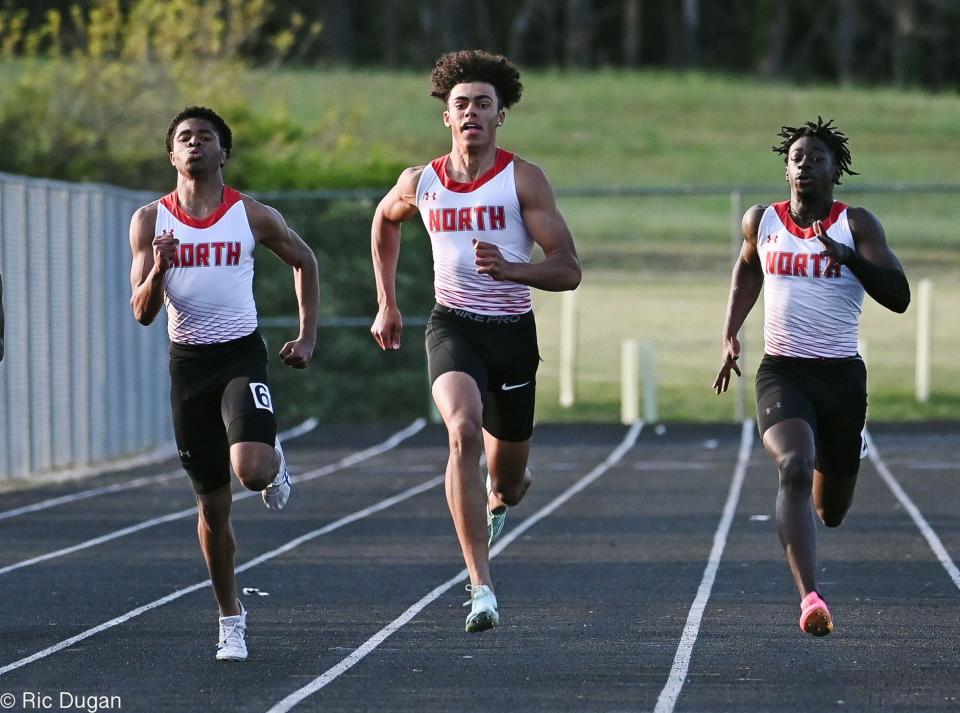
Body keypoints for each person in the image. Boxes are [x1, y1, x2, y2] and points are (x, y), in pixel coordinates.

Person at [370, 50, 581, 633]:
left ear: (500, 116)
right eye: (460, 104)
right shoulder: (423, 181)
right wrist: (388, 301)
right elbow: (385, 219)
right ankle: (481, 586)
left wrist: (515, 270)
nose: (471, 114)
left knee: (508, 484)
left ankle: (505, 487)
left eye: (483, 105)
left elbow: (568, 270)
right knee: (461, 431)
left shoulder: (523, 179)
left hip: (512, 334)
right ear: (446, 116)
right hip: (453, 325)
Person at [129, 106, 319, 661]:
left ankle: (273, 457)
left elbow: (304, 259)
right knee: (213, 508)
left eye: (205, 137)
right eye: (184, 138)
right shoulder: (148, 221)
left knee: (252, 469)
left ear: (222, 152)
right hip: (188, 366)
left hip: (240, 356)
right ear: (171, 154)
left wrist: (307, 336)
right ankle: (230, 616)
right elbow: (141, 312)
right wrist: (160, 271)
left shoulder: (251, 215)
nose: (194, 145)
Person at [714, 117, 910, 636]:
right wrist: (731, 332)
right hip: (783, 372)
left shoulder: (857, 225)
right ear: (786, 169)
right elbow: (749, 267)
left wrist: (848, 259)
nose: (805, 165)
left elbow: (899, 296)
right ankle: (810, 600)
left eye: (816, 157)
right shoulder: (762, 221)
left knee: (831, 511)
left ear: (835, 170)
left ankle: (851, 446)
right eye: (797, 157)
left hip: (841, 379)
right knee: (795, 468)